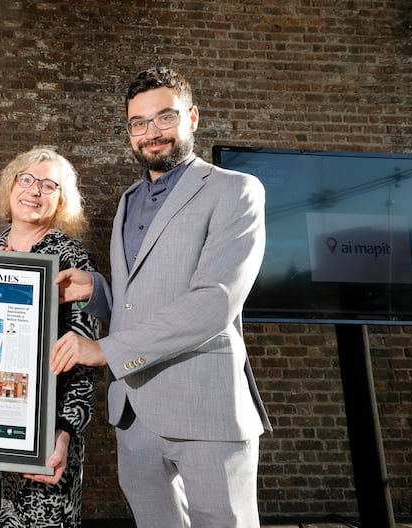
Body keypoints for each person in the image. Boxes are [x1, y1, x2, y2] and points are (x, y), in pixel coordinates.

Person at [50, 66, 272, 528]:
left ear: (191, 117)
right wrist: (99, 291)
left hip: (206, 409)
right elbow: (142, 299)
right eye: (138, 123)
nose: (152, 133)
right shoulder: (129, 198)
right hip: (135, 416)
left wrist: (104, 349)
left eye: (164, 118)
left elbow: (214, 301)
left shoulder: (236, 190)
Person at [0, 147, 101, 527]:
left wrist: (63, 433)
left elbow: (83, 359)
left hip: (42, 440)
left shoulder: (73, 259)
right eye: (26, 179)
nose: (34, 190)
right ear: (10, 186)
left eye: (49, 185)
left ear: (61, 200)